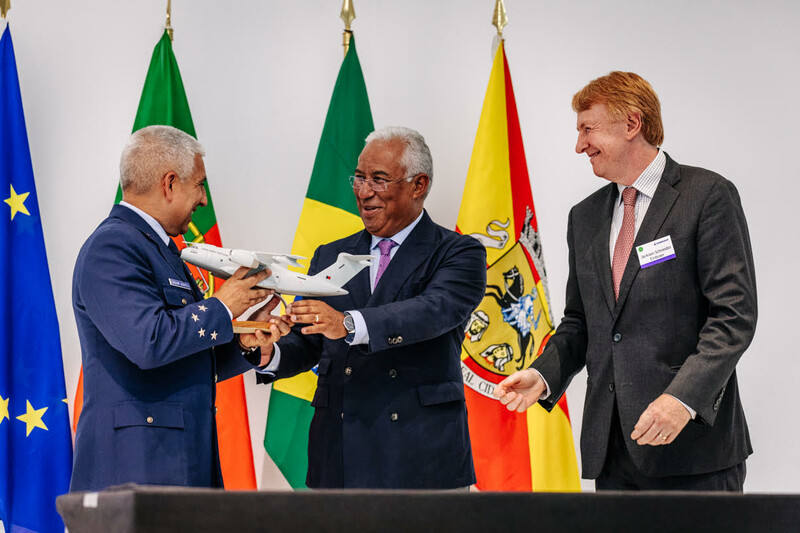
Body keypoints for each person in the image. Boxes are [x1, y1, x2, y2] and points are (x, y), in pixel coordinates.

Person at [494, 72, 757, 491]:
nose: (579, 145)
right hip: (613, 452)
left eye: (588, 129)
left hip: (692, 449)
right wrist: (543, 375)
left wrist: (682, 399)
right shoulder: (584, 217)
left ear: (632, 124)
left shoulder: (706, 196)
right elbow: (580, 322)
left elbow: (733, 317)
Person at [255, 127, 487, 489]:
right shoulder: (330, 254)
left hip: (420, 455)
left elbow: (432, 311)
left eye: (378, 179)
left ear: (418, 185)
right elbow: (308, 340)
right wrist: (268, 350)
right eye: (359, 178)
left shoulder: (459, 252)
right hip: (339, 454)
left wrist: (348, 323)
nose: (364, 192)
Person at [71, 125, 286, 491]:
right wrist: (222, 305)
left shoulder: (159, 249)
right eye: (199, 185)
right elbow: (148, 342)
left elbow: (183, 356)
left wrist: (245, 341)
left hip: (178, 462)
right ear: (169, 183)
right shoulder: (112, 247)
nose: (203, 200)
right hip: (137, 469)